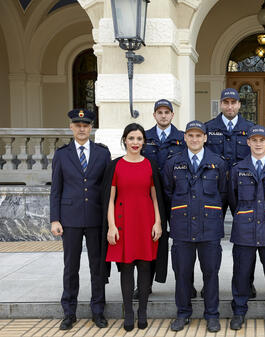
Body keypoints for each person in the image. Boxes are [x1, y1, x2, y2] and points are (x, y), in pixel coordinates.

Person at [101, 123, 168, 331]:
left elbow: (156, 197)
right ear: (125, 140)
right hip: (123, 222)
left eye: (139, 139)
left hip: (146, 220)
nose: (135, 143)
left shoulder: (150, 165)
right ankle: (128, 312)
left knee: (146, 265)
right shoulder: (115, 165)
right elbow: (109, 199)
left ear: (144, 142)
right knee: (127, 267)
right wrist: (111, 226)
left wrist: (158, 222)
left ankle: (143, 312)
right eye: (131, 138)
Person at [163, 121, 227, 333]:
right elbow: (168, 193)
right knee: (182, 273)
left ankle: (211, 315)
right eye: (190, 135)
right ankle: (183, 313)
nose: (194, 139)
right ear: (185, 137)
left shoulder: (218, 162)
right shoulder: (174, 163)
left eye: (199, 135)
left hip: (209, 229)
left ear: (205, 138)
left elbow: (223, 193)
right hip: (182, 228)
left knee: (211, 273)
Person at [50, 109, 110, 331]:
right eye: (78, 125)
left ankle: (98, 311)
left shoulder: (102, 153)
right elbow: (56, 189)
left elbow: (107, 190)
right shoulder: (62, 154)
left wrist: (109, 220)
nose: (82, 128)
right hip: (70, 218)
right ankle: (69, 312)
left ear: (91, 127)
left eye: (86, 125)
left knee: (98, 267)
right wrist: (55, 218)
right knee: (70, 267)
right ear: (71, 127)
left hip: (96, 218)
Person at [228, 125, 265, 331]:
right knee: (241, 273)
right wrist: (245, 214)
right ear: (248, 142)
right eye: (254, 140)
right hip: (245, 229)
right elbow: (233, 198)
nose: (258, 143)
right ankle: (238, 311)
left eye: (261, 140)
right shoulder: (238, 169)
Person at [205, 88, 256, 298]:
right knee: (210, 238)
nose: (229, 106)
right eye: (225, 102)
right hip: (215, 190)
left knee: (247, 238)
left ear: (239, 105)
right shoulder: (208, 128)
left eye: (233, 102)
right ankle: (210, 284)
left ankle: (246, 283)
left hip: (242, 190)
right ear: (221, 104)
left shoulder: (251, 129)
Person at [140, 98, 189, 298]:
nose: (163, 115)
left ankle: (185, 284)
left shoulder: (182, 137)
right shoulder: (144, 137)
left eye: (166, 112)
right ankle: (145, 284)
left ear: (172, 115)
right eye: (159, 112)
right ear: (154, 115)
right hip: (150, 196)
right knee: (149, 240)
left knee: (181, 242)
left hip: (176, 195)